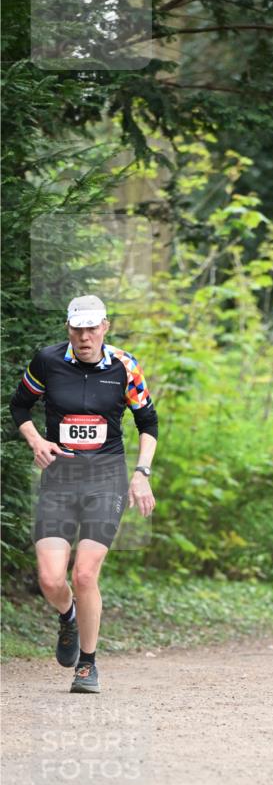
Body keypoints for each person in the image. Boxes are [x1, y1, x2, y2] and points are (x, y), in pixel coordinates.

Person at [9, 296, 158, 694]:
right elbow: (19, 407)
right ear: (68, 328)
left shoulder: (124, 366)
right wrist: (36, 440)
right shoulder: (47, 362)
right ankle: (68, 615)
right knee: (51, 578)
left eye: (92, 328)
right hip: (59, 479)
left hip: (105, 478)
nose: (85, 336)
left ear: (105, 327)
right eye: (78, 329)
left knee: (85, 573)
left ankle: (87, 665)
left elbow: (148, 422)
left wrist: (141, 473)